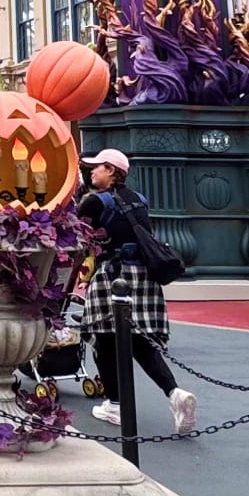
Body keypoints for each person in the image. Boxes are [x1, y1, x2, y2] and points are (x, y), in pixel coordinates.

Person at [77, 148, 197, 435]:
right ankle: (175, 394)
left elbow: (78, 238)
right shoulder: (139, 200)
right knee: (141, 342)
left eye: (97, 167)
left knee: (103, 339)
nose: (91, 172)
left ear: (111, 170)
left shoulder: (94, 201)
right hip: (143, 275)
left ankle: (116, 405)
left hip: (113, 276)